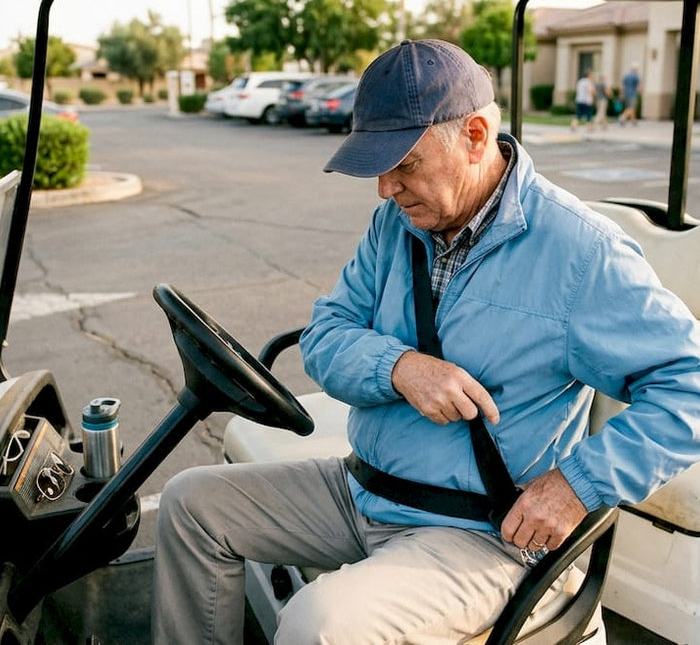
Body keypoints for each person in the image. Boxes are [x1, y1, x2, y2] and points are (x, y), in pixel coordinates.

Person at [152, 39, 700, 644]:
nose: (385, 188)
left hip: (481, 532)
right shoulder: (398, 223)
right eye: (377, 165)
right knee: (192, 503)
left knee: (317, 624)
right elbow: (326, 336)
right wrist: (401, 368)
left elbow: (689, 388)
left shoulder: (582, 253)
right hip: (362, 488)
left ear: (474, 135)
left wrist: (578, 486)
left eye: (404, 163)